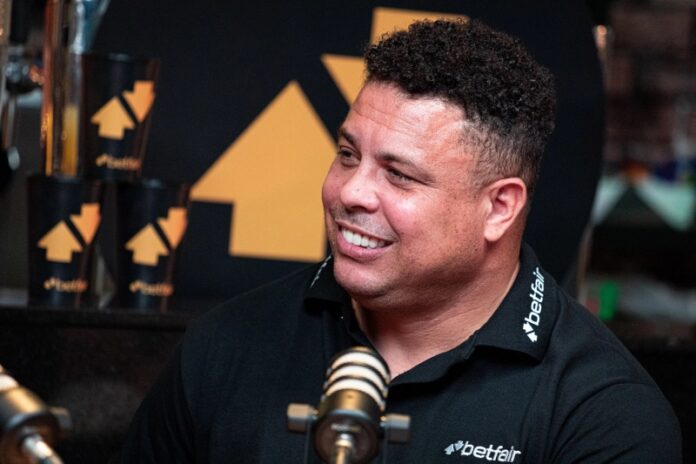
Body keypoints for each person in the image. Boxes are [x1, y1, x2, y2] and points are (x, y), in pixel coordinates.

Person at [119, 18, 681, 463]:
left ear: (499, 207)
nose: (350, 192)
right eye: (347, 155)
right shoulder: (226, 347)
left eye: (399, 175)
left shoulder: (603, 415)